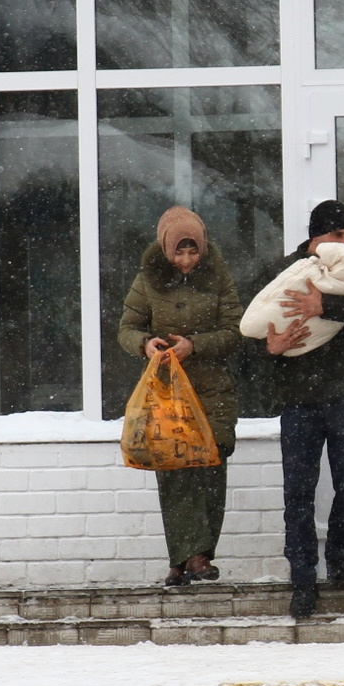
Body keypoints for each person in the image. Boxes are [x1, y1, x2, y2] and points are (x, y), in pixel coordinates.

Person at [255, 199, 344, 621]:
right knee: (298, 491)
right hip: (298, 399)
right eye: (340, 236)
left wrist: (324, 306)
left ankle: (338, 556)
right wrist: (268, 349)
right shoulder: (283, 272)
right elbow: (252, 325)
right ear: (318, 237)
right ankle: (302, 577)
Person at [117, 205, 243, 588]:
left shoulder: (219, 277)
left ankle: (189, 558)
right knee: (174, 471)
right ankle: (192, 557)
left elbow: (236, 329)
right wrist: (145, 344)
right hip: (166, 395)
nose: (187, 261)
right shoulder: (147, 280)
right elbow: (127, 328)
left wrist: (197, 345)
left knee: (210, 471)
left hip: (212, 392)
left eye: (193, 252)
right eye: (179, 253)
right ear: (166, 250)